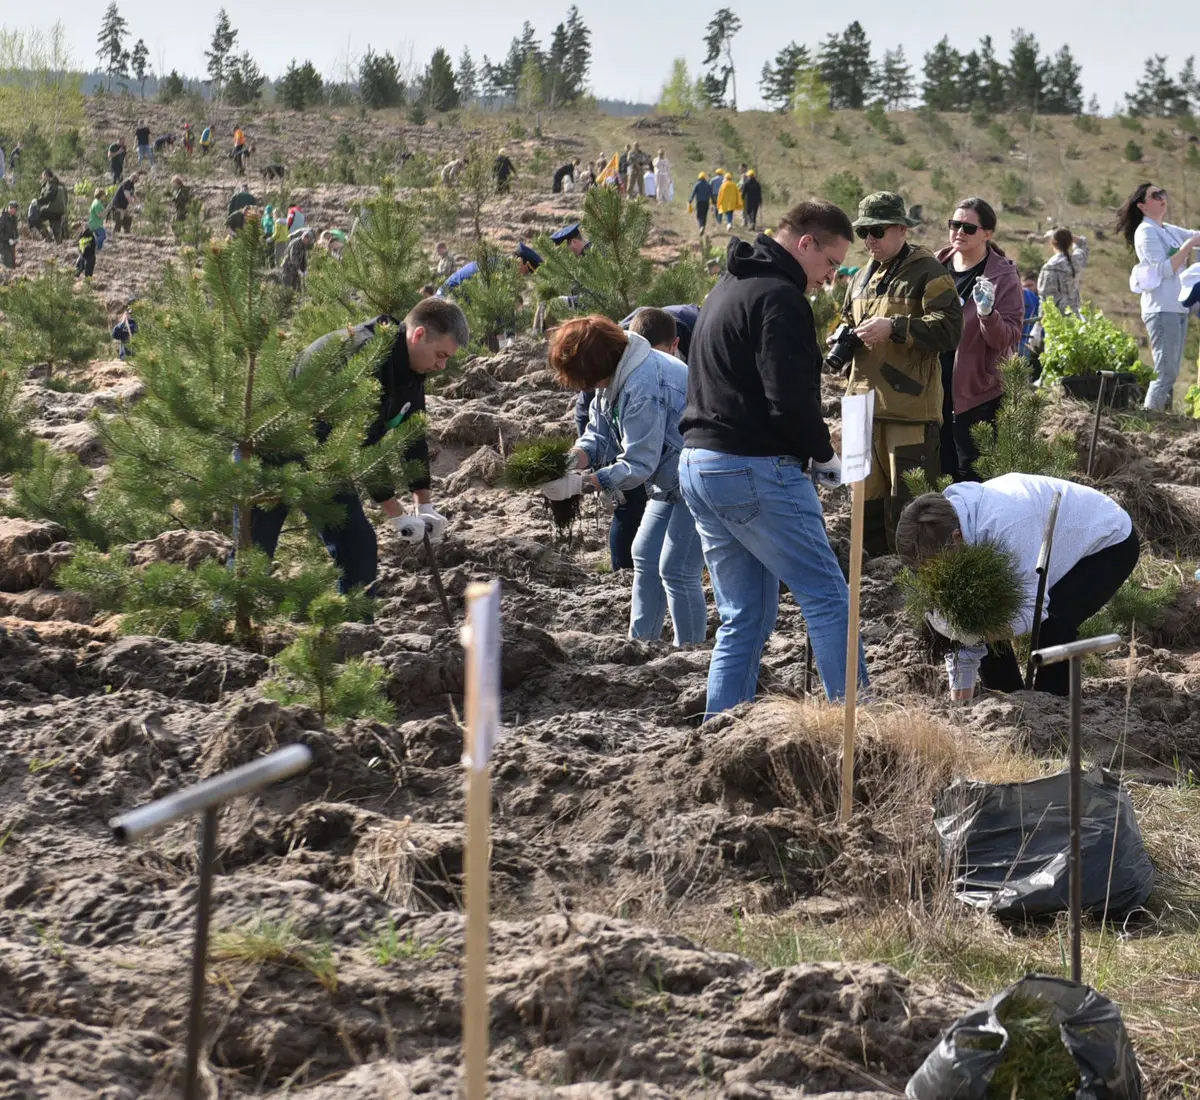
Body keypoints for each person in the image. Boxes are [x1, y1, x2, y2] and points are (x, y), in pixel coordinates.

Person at [679, 201, 867, 716]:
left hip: (700, 464)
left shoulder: (728, 286)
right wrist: (825, 454)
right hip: (753, 467)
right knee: (829, 597)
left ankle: (721, 728)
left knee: (746, 614)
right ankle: (860, 730)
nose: (831, 278)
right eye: (831, 263)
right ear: (806, 243)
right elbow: (788, 400)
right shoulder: (781, 299)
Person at [252, 299, 468, 592]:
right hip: (273, 448)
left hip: (327, 458)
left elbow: (412, 432)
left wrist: (423, 503)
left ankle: (358, 632)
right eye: (440, 355)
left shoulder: (412, 368)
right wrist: (396, 513)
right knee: (252, 555)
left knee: (358, 546)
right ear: (418, 335)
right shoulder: (364, 357)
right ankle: (226, 627)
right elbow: (356, 443)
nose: (442, 366)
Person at [896, 475, 1139, 699]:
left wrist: (976, 633)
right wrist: (961, 702)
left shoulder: (1005, 529)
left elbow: (1032, 612)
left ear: (957, 538)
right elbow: (961, 629)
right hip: (1044, 538)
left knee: (1054, 623)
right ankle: (1007, 697)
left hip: (1107, 541)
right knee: (980, 617)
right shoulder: (942, 536)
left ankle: (1053, 709)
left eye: (938, 568)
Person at [547, 315, 706, 646]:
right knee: (645, 554)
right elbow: (598, 435)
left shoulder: (642, 383)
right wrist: (569, 459)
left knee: (677, 568)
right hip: (670, 476)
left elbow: (638, 464)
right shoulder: (616, 375)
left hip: (699, 472)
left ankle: (689, 652)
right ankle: (641, 645)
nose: (583, 386)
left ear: (594, 366)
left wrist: (581, 484)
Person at [840, 192, 963, 556]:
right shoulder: (861, 276)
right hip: (861, 405)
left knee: (911, 507)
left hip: (907, 409)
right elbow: (850, 322)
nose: (870, 240)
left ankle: (913, 582)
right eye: (864, 233)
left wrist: (895, 327)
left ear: (899, 229)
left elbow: (950, 330)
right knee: (865, 500)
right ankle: (876, 577)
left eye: (877, 231)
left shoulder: (929, 273)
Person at [936, 197, 1024, 482]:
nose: (959, 232)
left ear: (987, 233)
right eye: (954, 224)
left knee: (972, 478)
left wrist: (987, 313)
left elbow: (1008, 337)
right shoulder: (936, 265)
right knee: (939, 472)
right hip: (933, 388)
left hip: (976, 395)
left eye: (968, 228)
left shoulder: (1002, 276)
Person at [1119, 183, 1200, 412]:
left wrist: (1191, 242)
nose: (1162, 197)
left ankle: (1157, 417)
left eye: (1162, 193)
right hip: (1162, 308)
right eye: (1155, 195)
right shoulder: (1145, 232)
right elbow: (1165, 269)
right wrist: (1188, 246)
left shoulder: (1167, 229)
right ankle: (1148, 417)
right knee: (1165, 371)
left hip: (1178, 307)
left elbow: (1196, 237)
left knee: (1171, 371)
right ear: (1143, 206)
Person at [437, 243, 542, 297]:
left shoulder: (501, 267)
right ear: (519, 261)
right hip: (446, 299)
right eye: (526, 271)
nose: (523, 275)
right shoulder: (497, 270)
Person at [1038, 228, 1089, 318]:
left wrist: (1038, 326)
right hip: (1076, 317)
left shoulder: (1049, 267)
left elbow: (1045, 299)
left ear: (1053, 242)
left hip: (1058, 320)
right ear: (1070, 242)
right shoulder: (1077, 260)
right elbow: (1082, 244)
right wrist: (1067, 236)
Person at [36, 169, 67, 242]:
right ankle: (59, 242)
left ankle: (47, 237)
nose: (42, 177)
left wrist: (38, 202)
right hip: (61, 210)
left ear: (47, 176)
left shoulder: (49, 183)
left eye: (43, 176)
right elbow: (66, 197)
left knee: (35, 218)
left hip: (50, 209)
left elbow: (49, 196)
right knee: (56, 224)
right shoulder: (61, 185)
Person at [1019, 271, 1040, 361]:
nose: (1028, 289)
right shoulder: (1026, 296)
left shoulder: (1040, 301)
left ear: (1037, 285)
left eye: (1030, 285)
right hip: (1021, 343)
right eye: (1025, 286)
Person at [89, 187, 107, 252]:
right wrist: (105, 212)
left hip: (95, 223)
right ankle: (91, 245)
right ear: (101, 196)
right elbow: (99, 215)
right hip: (96, 224)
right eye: (104, 195)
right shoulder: (98, 204)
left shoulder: (95, 201)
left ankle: (98, 249)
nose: (105, 196)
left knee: (99, 236)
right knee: (103, 235)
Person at [0, 200, 18, 268]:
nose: (15, 211)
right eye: (14, 209)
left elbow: (15, 229)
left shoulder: (13, 217)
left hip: (11, 244)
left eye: (16, 209)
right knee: (6, 264)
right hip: (3, 244)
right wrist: (8, 239)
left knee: (12, 263)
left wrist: (16, 237)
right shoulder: (2, 217)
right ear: (9, 208)